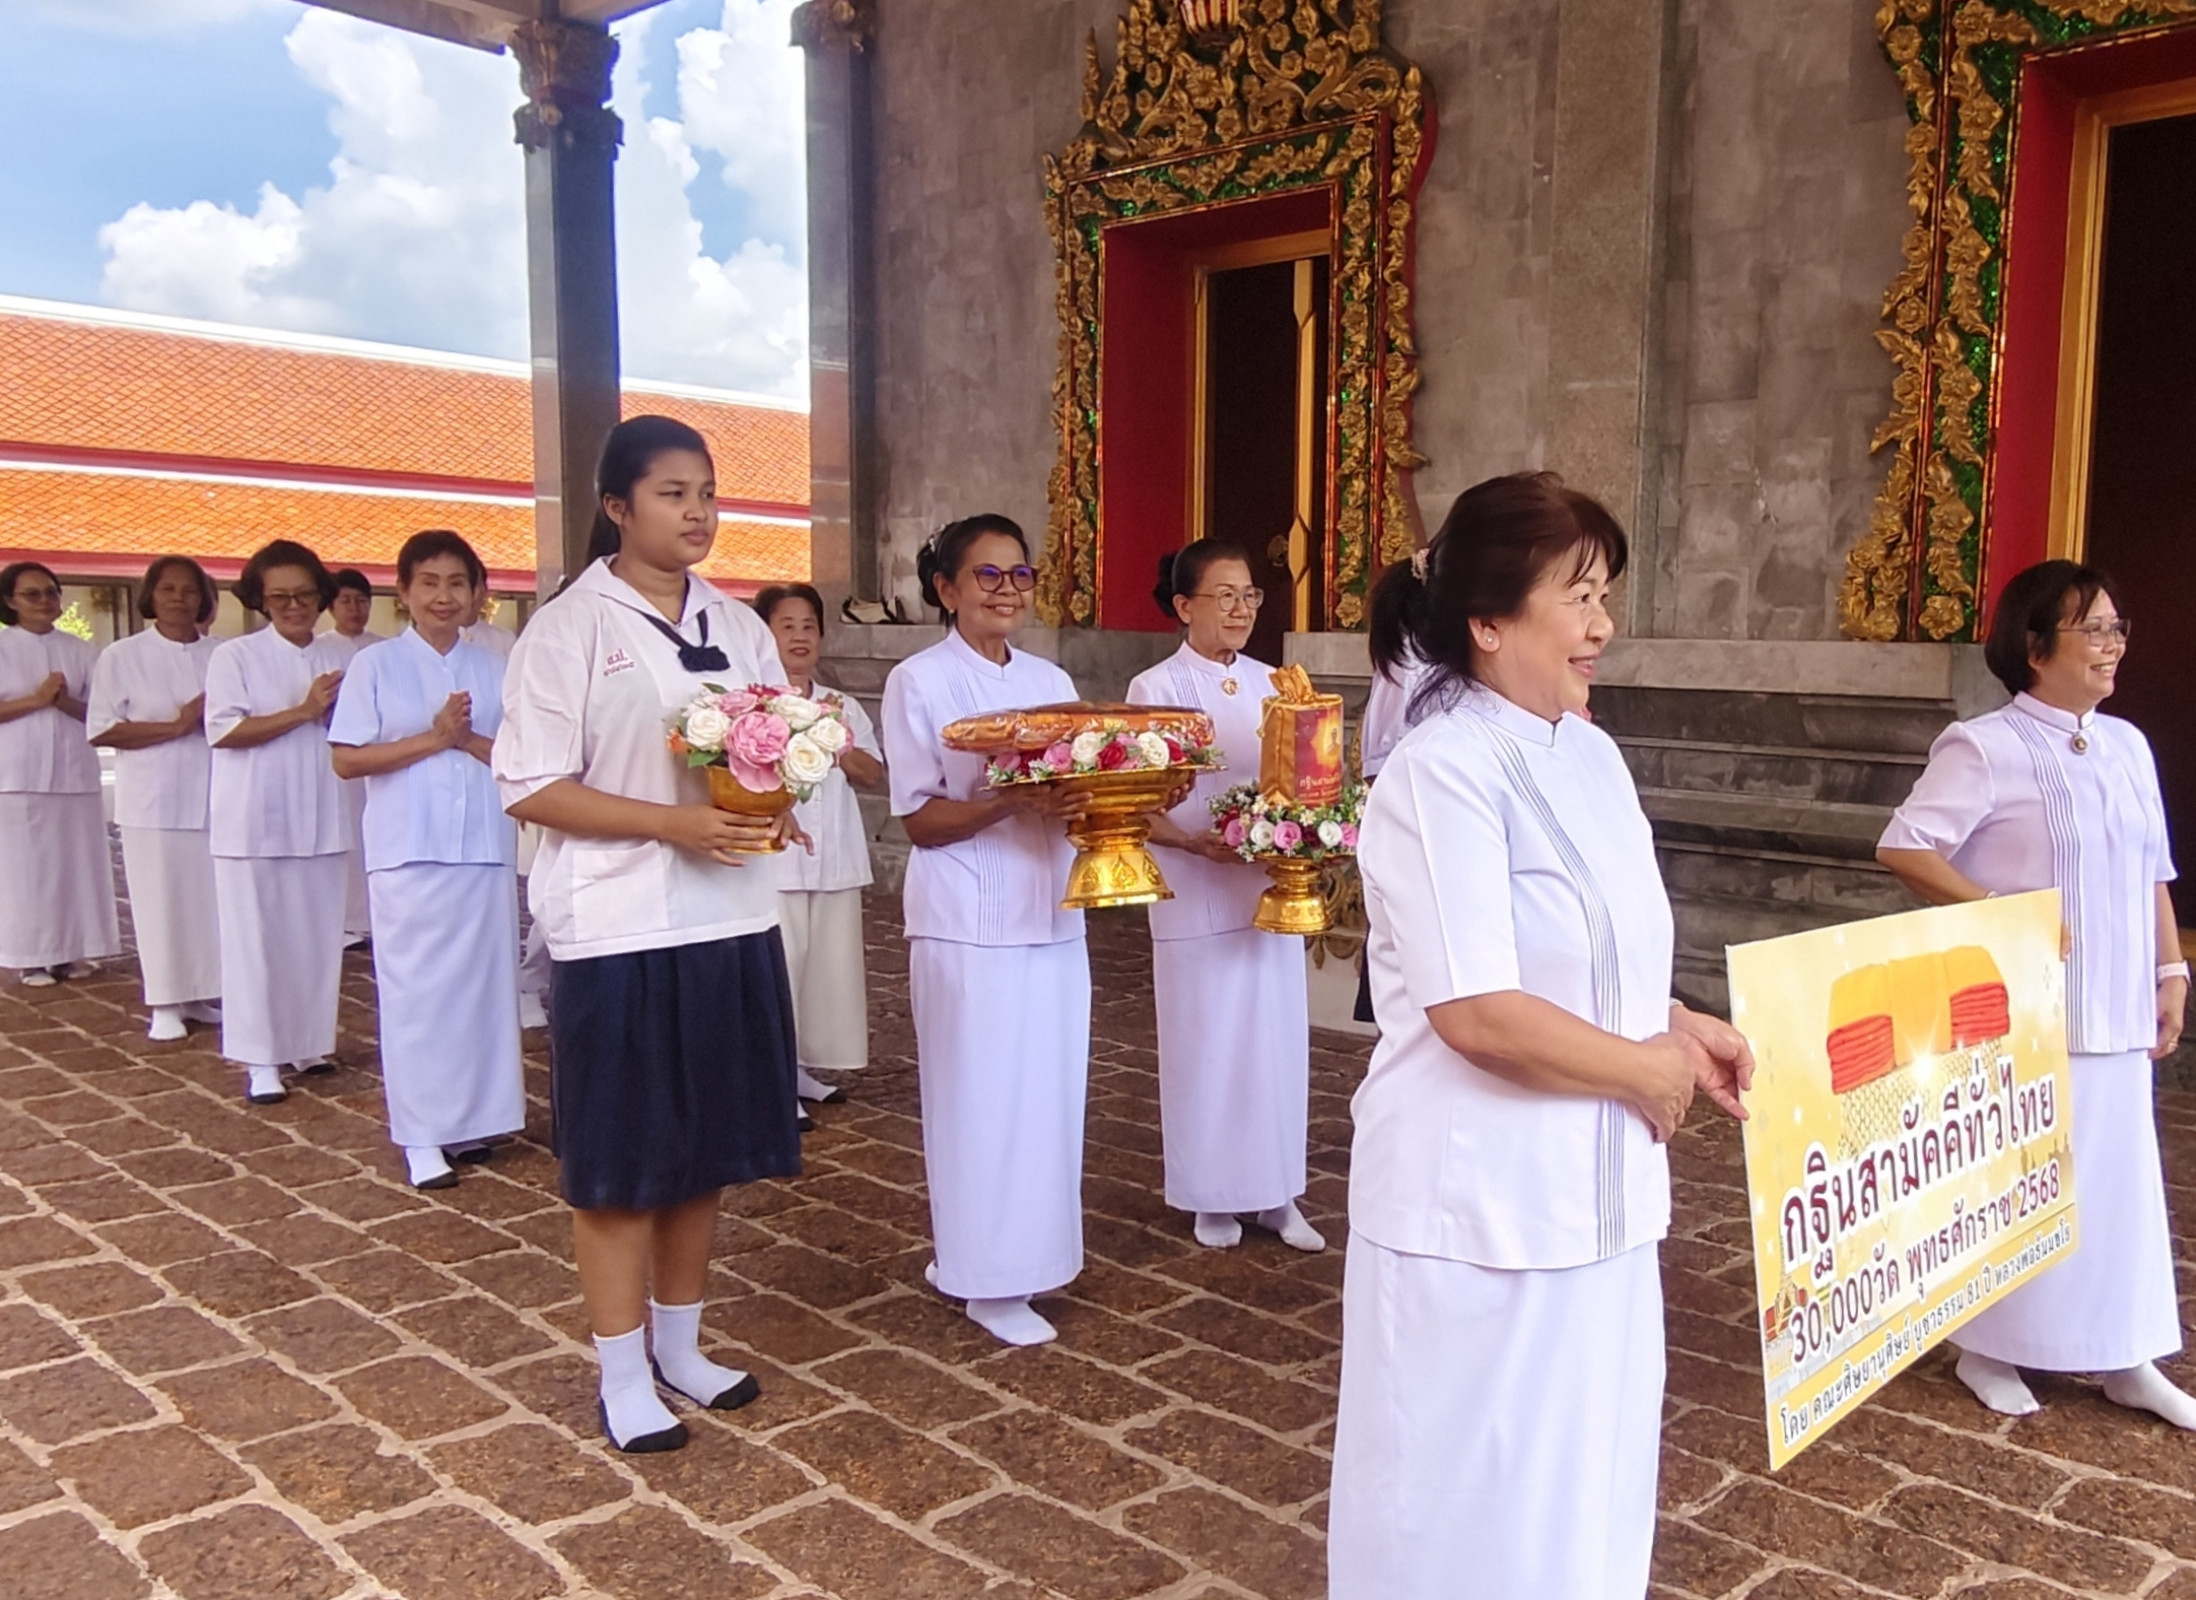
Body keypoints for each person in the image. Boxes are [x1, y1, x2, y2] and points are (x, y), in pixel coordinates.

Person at [1327, 473, 1754, 1600]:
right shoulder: (1440, 772)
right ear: (1488, 620)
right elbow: (1476, 1010)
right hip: (1481, 1210)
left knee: (1586, 1498)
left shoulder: (1591, 756)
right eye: (1578, 596)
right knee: (1465, 1514)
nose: (1602, 624)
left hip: (1601, 1203)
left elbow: (1592, 956)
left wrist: (1677, 1026)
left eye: (1605, 595)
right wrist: (1642, 1070)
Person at [495, 415, 801, 1454]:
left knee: (704, 1150)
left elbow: (771, 747)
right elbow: (530, 785)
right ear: (618, 507)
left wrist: (779, 803)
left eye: (708, 492)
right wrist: (672, 823)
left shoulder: (739, 624)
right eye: (674, 493)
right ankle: (621, 1372)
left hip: (729, 915)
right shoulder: (570, 628)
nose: (698, 512)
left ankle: (682, 1347)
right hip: (619, 927)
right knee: (623, 1164)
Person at [1878, 559, 2196, 1430]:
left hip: (2118, 1010)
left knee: (2119, 1189)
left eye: (2117, 627)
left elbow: (2153, 872)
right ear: (2034, 645)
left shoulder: (2128, 745)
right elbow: (1905, 845)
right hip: (2029, 1008)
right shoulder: (1985, 745)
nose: (2112, 643)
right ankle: (1990, 1345)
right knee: (2022, 1178)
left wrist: (2170, 972)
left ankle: (2125, 1354)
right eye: (2092, 628)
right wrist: (1998, 913)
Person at [882, 515, 1091, 1347]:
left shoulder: (1051, 679)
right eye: (987, 576)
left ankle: (1035, 1258)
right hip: (967, 919)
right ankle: (982, 1276)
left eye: (1019, 575)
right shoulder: (920, 681)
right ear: (947, 589)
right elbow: (920, 819)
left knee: (1048, 1101)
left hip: (1052, 911)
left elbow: (1080, 787)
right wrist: (1009, 800)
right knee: (978, 1103)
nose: (1007, 591)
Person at [1128, 541, 1321, 1252]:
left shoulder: (1278, 683)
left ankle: (1277, 1193)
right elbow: (1135, 798)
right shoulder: (1155, 688)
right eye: (1225, 596)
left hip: (1268, 888)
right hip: (1197, 888)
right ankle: (1211, 1196)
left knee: (1275, 1044)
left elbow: (1307, 774)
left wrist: (1312, 830)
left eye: (1250, 596)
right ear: (1185, 606)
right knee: (1205, 1045)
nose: (1241, 609)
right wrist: (1187, 842)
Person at [330, 531, 524, 1192]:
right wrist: (433, 739)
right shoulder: (376, 666)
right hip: (408, 848)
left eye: (457, 583)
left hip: (484, 847)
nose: (444, 596)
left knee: (480, 989)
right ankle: (420, 1133)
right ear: (405, 591)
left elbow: (520, 756)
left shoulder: (497, 665)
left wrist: (465, 741)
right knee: (417, 994)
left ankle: (474, 1118)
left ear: (476, 593)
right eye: (430, 583)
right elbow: (347, 758)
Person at [205, 541, 351, 1105]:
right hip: (254, 820)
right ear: (261, 600)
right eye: (281, 596)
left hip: (322, 813)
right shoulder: (235, 657)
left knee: (315, 937)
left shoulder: (341, 655)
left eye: (305, 595)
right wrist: (304, 711)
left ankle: (308, 1043)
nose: (294, 606)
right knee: (256, 942)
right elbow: (224, 730)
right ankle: (260, 1057)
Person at [755, 582, 886, 1115]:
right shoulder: (753, 706)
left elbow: (873, 774)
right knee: (779, 969)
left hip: (835, 857)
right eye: (786, 626)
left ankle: (802, 1069)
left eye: (809, 626)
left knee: (825, 973)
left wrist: (837, 738)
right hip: (774, 859)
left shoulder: (842, 705)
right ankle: (770, 1078)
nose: (799, 637)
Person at [87, 557, 224, 1037]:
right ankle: (165, 1002)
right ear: (151, 596)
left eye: (190, 590)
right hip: (153, 800)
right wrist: (176, 726)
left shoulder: (223, 655)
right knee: (160, 902)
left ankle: (201, 992)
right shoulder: (122, 656)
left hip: (216, 797)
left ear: (204, 599)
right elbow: (103, 729)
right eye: (168, 589)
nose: (179, 599)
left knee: (209, 903)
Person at [0, 562, 119, 987]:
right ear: (10, 601)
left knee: (76, 866)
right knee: (27, 870)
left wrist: (64, 702)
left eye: (51, 592)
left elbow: (103, 714)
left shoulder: (82, 651)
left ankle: (72, 951)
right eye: (32, 594)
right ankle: (30, 957)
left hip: (74, 773)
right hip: (18, 774)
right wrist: (36, 700)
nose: (45, 601)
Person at [320, 567, 385, 948]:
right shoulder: (322, 649)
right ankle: (347, 919)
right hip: (341, 756)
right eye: (346, 601)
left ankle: (375, 915)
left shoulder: (383, 649)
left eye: (362, 601)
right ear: (331, 606)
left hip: (380, 755)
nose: (355, 609)